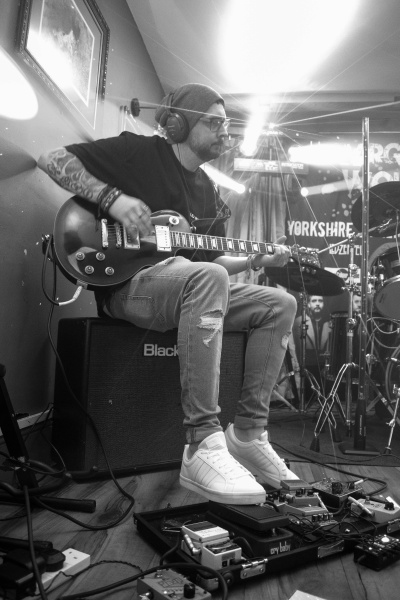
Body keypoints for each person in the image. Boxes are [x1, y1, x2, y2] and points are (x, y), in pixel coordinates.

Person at [38, 83, 298, 505]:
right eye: (214, 122)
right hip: (129, 288)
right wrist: (112, 198)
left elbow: (211, 262)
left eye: (227, 124)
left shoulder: (209, 191)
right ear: (179, 123)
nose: (225, 131)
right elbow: (51, 158)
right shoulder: (138, 152)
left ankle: (248, 433)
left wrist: (255, 259)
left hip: (187, 286)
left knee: (279, 305)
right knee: (208, 277)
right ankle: (202, 442)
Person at [293, 295, 330, 384]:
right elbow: (296, 348)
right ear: (308, 304)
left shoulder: (330, 323)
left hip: (325, 367)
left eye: (320, 301)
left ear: (324, 304)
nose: (317, 303)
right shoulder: (299, 322)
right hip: (306, 366)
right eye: (314, 301)